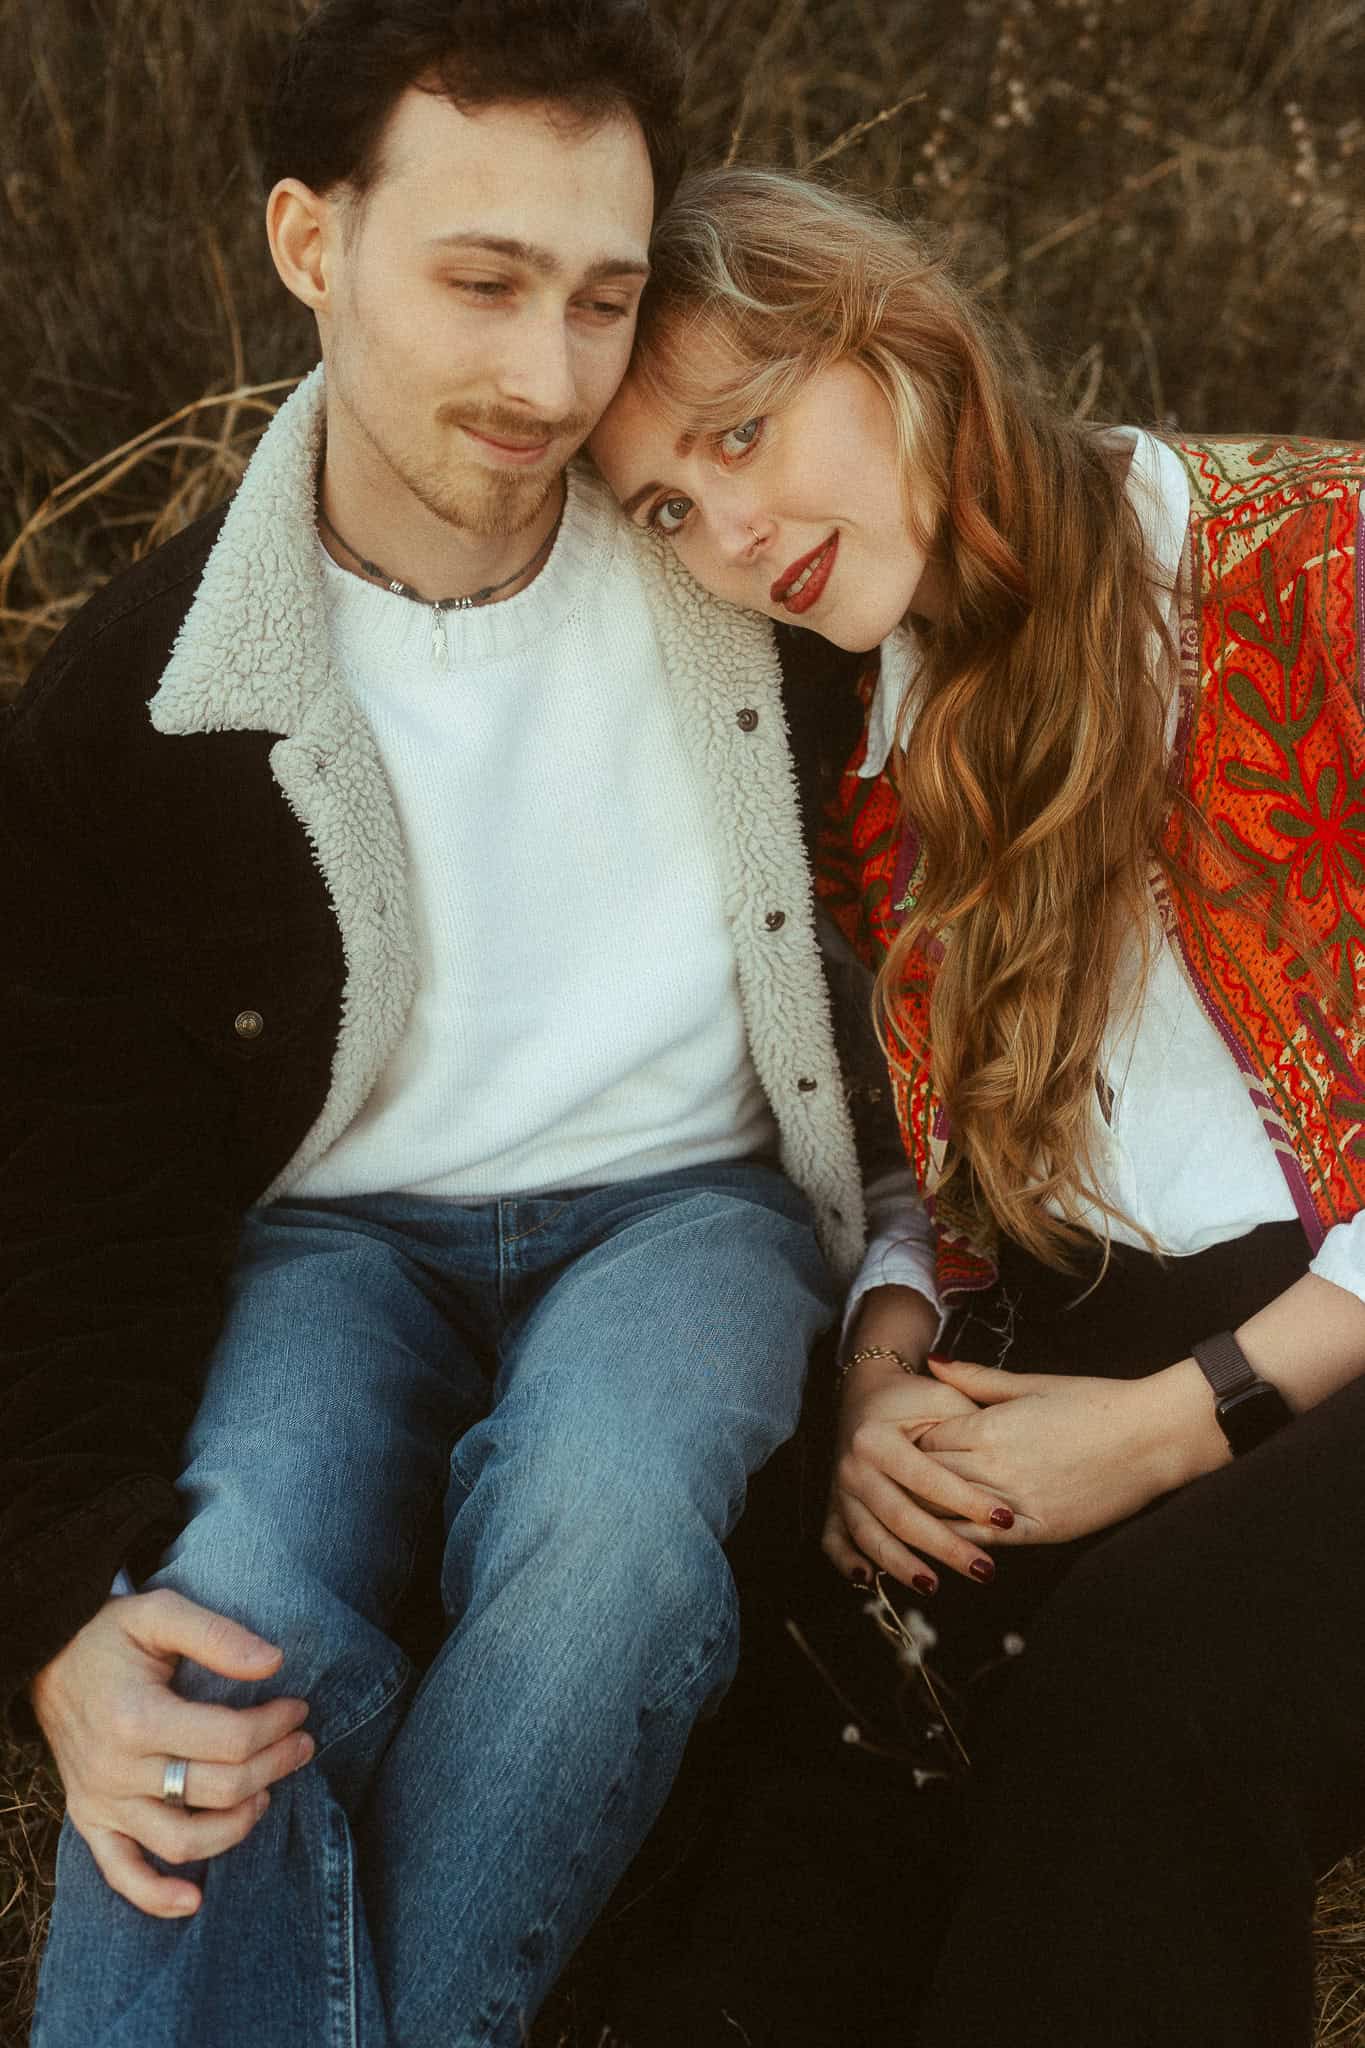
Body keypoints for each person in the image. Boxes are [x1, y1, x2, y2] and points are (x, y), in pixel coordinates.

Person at [0, 20, 951, 2040]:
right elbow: (54, 1209)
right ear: (306, 242)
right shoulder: (145, 705)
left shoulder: (742, 578)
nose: (547, 379)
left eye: (602, 300)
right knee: (223, 1610)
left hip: (684, 1212)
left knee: (610, 1525)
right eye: (480, 279)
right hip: (330, 1244)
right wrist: (56, 1604)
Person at [589, 163, 1365, 2048]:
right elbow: (946, 1153)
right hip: (1103, 1325)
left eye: (746, 430)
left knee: (1141, 1701)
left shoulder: (1313, 564)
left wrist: (1189, 1425)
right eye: (669, 506)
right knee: (823, 1763)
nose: (730, 527)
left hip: (1320, 1327)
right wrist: (885, 1363)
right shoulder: (867, 750)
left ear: (898, 341)